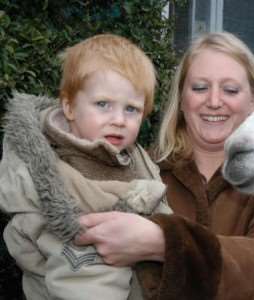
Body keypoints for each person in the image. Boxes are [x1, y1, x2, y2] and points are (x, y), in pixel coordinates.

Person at [75, 32, 254, 300]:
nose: (213, 101)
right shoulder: (141, 170)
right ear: (182, 98)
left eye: (230, 90)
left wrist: (165, 242)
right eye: (199, 87)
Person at [0, 34, 171, 300]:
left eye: (132, 109)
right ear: (68, 106)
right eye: (103, 104)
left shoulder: (136, 160)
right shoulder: (55, 171)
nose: (118, 120)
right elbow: (82, 275)